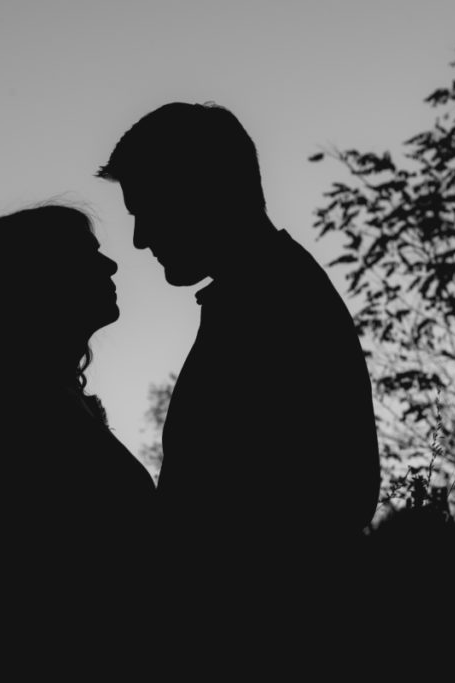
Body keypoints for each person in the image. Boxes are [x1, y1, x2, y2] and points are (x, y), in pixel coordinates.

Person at [96, 103, 380, 597]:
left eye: (146, 211)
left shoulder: (276, 306)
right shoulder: (261, 294)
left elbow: (330, 501)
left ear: (198, 192)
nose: (140, 240)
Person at [0, 205, 156, 612]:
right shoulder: (20, 419)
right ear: (42, 280)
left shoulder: (56, 404)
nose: (111, 265)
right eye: (88, 255)